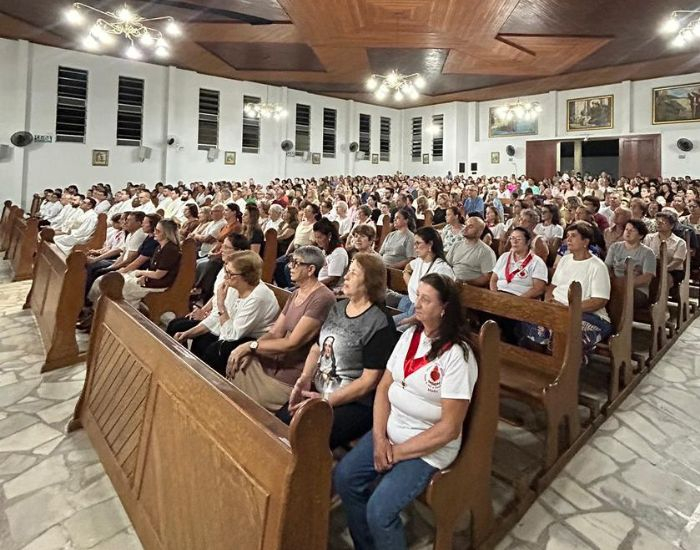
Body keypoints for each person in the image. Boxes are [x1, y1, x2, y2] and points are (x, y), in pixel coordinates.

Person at [334, 273, 477, 550]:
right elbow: (383, 388)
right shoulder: (410, 335)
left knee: (380, 511)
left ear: (444, 308)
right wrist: (379, 438)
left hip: (428, 447)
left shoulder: (457, 356)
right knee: (345, 477)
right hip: (392, 430)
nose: (417, 304)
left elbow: (449, 428)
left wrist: (396, 453)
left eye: (426, 300)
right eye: (417, 296)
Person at [278, 253, 398, 449]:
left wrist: (326, 401)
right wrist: (305, 378)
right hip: (320, 390)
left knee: (303, 438)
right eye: (348, 271)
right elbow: (317, 348)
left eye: (354, 273)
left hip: (354, 403)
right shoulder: (338, 308)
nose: (346, 277)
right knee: (278, 424)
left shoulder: (379, 322)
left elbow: (368, 382)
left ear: (370, 281)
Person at [225, 246, 336, 411]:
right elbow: (275, 332)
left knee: (243, 387)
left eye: (296, 263)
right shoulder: (296, 293)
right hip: (275, 360)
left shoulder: (323, 298)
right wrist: (251, 351)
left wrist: (251, 346)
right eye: (291, 261)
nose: (290, 266)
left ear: (311, 269)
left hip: (292, 371)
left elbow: (292, 343)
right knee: (238, 362)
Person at [173, 251, 279, 375]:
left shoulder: (258, 297)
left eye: (230, 273)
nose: (225, 277)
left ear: (246, 276)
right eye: (225, 271)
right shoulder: (234, 286)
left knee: (214, 351)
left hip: (255, 338)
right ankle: (184, 374)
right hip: (234, 329)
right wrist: (188, 333)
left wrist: (220, 303)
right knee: (198, 338)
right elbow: (216, 317)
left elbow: (232, 335)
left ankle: (201, 382)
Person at [523, 221, 612, 362]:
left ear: (585, 242)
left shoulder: (597, 266)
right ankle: (537, 365)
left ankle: (563, 370)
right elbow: (552, 287)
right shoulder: (565, 260)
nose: (568, 239)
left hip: (588, 314)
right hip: (558, 308)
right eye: (568, 236)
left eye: (573, 236)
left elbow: (599, 301)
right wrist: (548, 302)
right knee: (531, 323)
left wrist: (567, 308)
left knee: (565, 332)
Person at [393, 227, 455, 330]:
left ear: (430, 244)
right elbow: (408, 267)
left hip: (425, 316)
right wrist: (406, 276)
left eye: (418, 243)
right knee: (383, 324)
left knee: (392, 328)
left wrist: (408, 320)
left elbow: (437, 306)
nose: (415, 247)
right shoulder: (420, 261)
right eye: (414, 243)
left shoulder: (441, 269)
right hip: (410, 305)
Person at [119, 219, 182, 309]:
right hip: (153, 279)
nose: (154, 232)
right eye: (155, 229)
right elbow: (153, 269)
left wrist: (141, 273)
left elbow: (158, 275)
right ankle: (129, 310)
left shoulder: (170, 250)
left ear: (166, 233)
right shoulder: (160, 247)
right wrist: (144, 276)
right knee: (122, 279)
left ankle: (128, 313)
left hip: (161, 283)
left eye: (158, 231)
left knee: (124, 286)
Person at [605, 220, 657, 308]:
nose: (628, 232)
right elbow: (607, 267)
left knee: (619, 297)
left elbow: (647, 277)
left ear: (640, 235)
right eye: (626, 229)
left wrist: (625, 285)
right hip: (614, 285)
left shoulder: (648, 253)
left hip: (637, 289)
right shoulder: (615, 247)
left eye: (632, 230)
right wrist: (613, 283)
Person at [446, 216, 496, 286]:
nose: (465, 228)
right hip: (450, 283)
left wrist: (465, 282)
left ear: (479, 232)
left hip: (470, 288)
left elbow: (487, 278)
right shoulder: (456, 245)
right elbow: (447, 265)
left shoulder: (486, 252)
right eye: (466, 225)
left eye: (470, 226)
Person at [643, 210, 688, 287]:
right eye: (657, 222)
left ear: (671, 225)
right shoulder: (649, 237)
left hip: (672, 270)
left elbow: (677, 261)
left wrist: (662, 270)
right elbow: (644, 255)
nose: (659, 224)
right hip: (651, 268)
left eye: (663, 222)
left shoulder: (680, 242)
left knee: (665, 279)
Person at [314, 218, 348, 289]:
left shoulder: (339, 253)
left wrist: (312, 284)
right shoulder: (325, 250)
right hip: (318, 284)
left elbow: (333, 279)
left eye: (319, 237)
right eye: (315, 237)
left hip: (327, 289)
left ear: (329, 235)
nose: (317, 241)